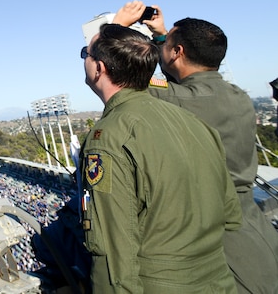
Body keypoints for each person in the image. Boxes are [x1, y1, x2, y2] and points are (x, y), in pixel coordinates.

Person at [114, 1, 278, 293]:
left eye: (169, 45)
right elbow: (186, 87)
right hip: (255, 229)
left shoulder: (178, 99)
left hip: (216, 238)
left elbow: (120, 79)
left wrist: (117, 28)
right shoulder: (237, 95)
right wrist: (164, 36)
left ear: (178, 52)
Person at [80, 23, 241, 293]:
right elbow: (231, 214)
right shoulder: (193, 122)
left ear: (100, 68)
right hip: (219, 281)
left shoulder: (108, 138)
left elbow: (112, 255)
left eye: (86, 53)